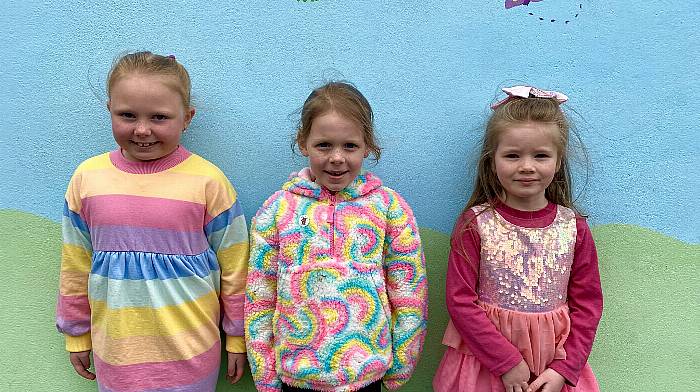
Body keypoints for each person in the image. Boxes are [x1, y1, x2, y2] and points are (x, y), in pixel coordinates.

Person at [55, 51, 249, 391]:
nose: (142, 129)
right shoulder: (87, 179)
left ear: (187, 117)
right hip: (117, 353)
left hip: (191, 351)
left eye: (159, 117)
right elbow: (75, 264)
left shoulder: (208, 181)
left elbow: (236, 266)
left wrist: (237, 336)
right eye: (127, 115)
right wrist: (76, 334)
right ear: (109, 110)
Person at [245, 81, 428, 392]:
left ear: (368, 146)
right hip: (297, 374)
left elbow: (409, 288)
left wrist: (401, 361)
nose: (337, 158)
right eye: (324, 145)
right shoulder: (277, 210)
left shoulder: (388, 207)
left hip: (366, 372)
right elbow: (259, 295)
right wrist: (264, 373)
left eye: (350, 146)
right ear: (303, 143)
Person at [433, 86, 603, 392]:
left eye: (540, 155)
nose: (527, 166)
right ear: (492, 158)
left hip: (552, 368)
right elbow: (459, 301)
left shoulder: (573, 227)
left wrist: (564, 369)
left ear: (558, 160)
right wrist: (506, 363)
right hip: (485, 366)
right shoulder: (476, 224)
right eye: (512, 155)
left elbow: (588, 305)